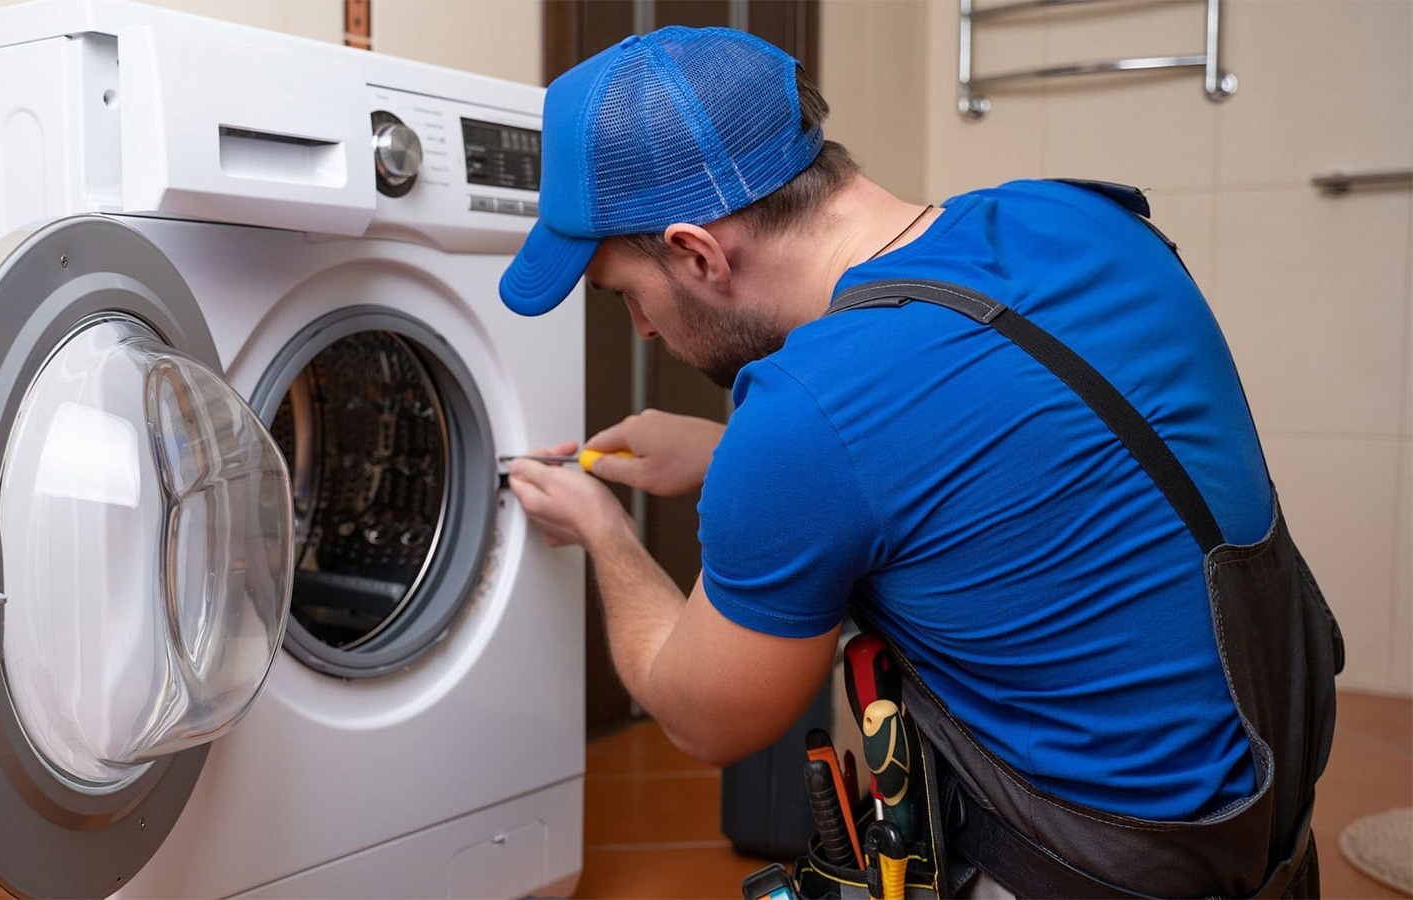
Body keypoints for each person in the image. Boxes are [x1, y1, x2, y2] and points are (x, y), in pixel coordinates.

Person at [499, 26, 1340, 899]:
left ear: (697, 253)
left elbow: (701, 718)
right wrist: (722, 456)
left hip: (1086, 871)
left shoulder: (806, 413)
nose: (641, 330)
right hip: (1267, 842)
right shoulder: (1077, 218)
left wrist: (605, 533)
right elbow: (1019, 462)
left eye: (627, 295)